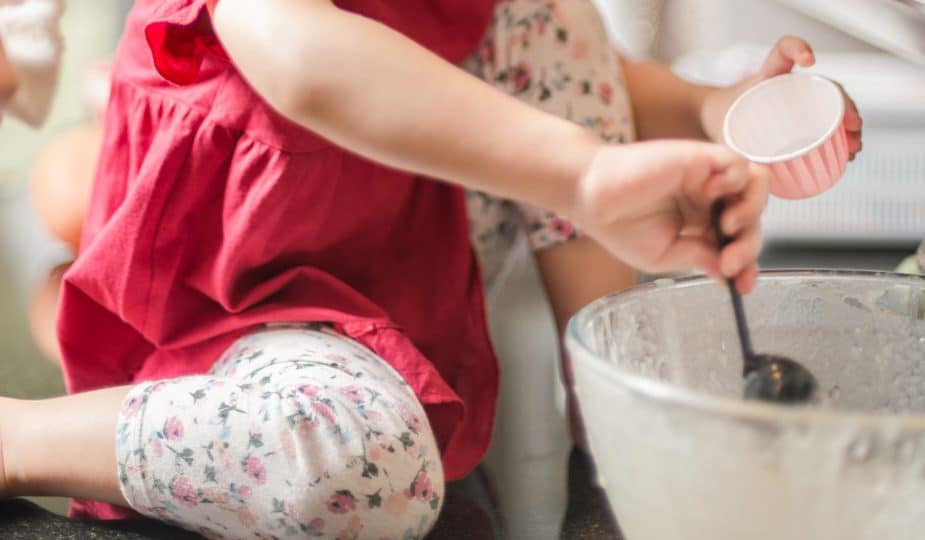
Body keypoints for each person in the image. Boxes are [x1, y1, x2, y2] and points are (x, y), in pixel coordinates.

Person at [3, 0, 860, 538]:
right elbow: (301, 52)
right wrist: (583, 175)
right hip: (241, 302)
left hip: (399, 254)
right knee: (357, 464)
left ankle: (615, 397)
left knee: (548, 17)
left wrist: (711, 110)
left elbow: (562, 61)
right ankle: (18, 436)